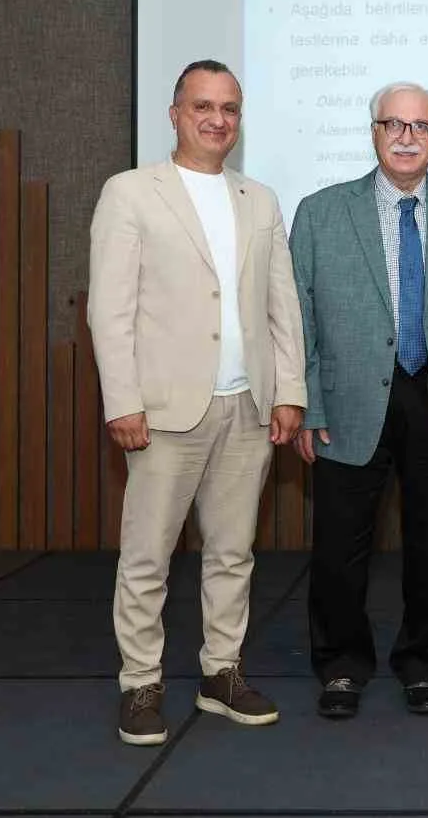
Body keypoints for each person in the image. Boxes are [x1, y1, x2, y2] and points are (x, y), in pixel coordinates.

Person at [88, 59, 307, 745]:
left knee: (232, 553)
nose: (218, 120)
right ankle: (141, 683)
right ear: (175, 113)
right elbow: (109, 309)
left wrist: (290, 390)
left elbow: (282, 305)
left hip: (247, 407)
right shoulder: (130, 193)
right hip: (162, 411)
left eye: (230, 109)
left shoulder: (260, 199)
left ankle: (221, 674)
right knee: (148, 557)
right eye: (203, 106)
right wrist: (122, 399)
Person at [290, 81, 428, 720]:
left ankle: (423, 664)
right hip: (348, 401)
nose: (407, 137)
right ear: (374, 132)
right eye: (394, 125)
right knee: (338, 547)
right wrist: (306, 406)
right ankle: (341, 666)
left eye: (421, 126)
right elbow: (296, 317)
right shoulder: (322, 211)